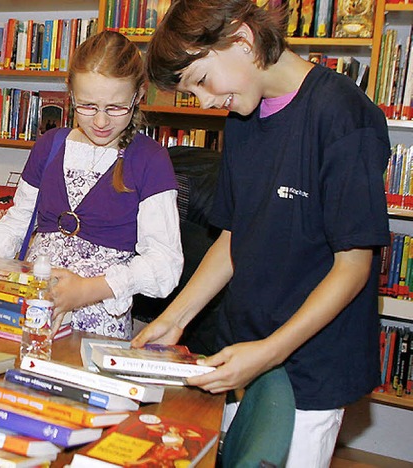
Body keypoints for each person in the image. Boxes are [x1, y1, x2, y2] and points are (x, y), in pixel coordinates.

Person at [131, 1, 390, 466]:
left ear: (241, 40)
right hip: (243, 351)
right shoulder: (244, 119)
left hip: (309, 367)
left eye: (202, 81)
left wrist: (268, 353)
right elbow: (233, 237)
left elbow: (353, 266)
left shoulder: (342, 115)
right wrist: (175, 318)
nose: (206, 102)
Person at [0, 31, 183, 339]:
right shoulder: (50, 146)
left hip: (99, 323)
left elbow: (165, 265)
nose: (101, 121)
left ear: (139, 94)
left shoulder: (150, 159)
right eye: (87, 106)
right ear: (70, 94)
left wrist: (88, 290)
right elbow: (16, 224)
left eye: (116, 108)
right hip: (34, 310)